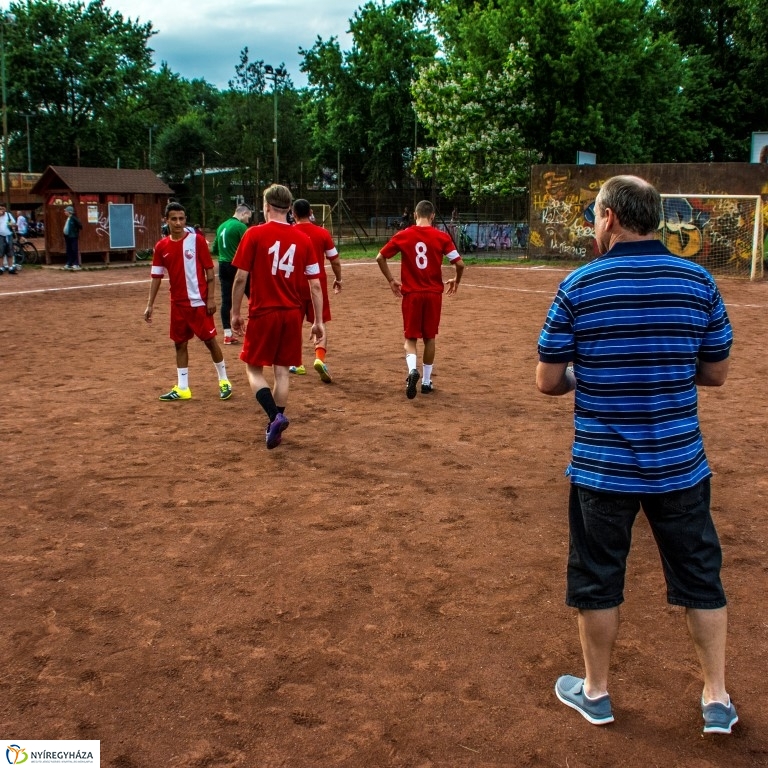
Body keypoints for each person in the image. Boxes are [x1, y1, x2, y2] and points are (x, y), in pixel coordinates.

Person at [536, 175, 736, 734]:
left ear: (609, 219)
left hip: (603, 467)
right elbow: (715, 373)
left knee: (598, 578)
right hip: (679, 464)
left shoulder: (580, 286)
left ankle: (596, 692)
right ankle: (716, 697)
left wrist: (592, 372)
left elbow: (548, 380)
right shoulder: (698, 280)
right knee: (701, 576)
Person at [230, 184, 324, 449]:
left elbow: (240, 278)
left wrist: (235, 313)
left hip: (264, 312)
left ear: (266, 206)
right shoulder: (303, 239)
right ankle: (275, 427)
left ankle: (274, 416)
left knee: (253, 368)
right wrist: (317, 321)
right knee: (282, 372)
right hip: (292, 314)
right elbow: (315, 284)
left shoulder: (254, 234)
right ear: (290, 209)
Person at [143, 202, 233, 403]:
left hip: (199, 303)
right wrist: (150, 305)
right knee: (179, 344)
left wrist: (209, 299)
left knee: (210, 342)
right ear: (166, 220)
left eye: (181, 219)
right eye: (173, 219)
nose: (178, 223)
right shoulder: (161, 247)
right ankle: (183, 387)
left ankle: (224, 380)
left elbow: (210, 273)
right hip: (177, 304)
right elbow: (156, 276)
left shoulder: (197, 241)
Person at [376, 199, 464, 398]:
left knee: (410, 338)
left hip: (412, 294)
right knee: (430, 337)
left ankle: (411, 370)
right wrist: (456, 281)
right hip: (433, 294)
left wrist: (391, 280)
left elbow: (380, 257)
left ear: (415, 215)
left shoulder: (404, 235)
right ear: (432, 216)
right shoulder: (441, 237)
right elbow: (459, 264)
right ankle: (426, 381)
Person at [289, 198, 342, 383]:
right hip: (316, 284)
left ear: (293, 213)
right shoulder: (322, 233)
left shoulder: (289, 232)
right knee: (320, 322)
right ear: (311, 211)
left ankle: (297, 363)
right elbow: (334, 259)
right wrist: (339, 278)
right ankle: (319, 358)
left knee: (294, 324)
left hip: (294, 285)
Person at [211, 204, 252, 345]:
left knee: (226, 300)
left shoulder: (221, 226)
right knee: (253, 296)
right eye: (248, 216)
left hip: (223, 265)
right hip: (238, 266)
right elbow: (249, 247)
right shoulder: (240, 227)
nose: (248, 220)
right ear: (243, 213)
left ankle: (227, 334)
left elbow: (214, 249)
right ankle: (255, 330)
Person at [63, 205, 82, 270]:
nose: (65, 212)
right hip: (67, 236)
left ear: (69, 212)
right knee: (69, 250)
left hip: (73, 236)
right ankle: (69, 263)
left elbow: (80, 225)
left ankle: (76, 264)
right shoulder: (68, 218)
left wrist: (75, 231)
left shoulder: (74, 218)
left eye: (66, 211)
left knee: (74, 249)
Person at [0, 204, 17, 274]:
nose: (1, 210)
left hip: (8, 235)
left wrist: (11, 225)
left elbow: (14, 224)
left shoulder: (8, 215)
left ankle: (10, 267)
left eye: (2, 208)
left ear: (5, 209)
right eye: (0, 209)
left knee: (10, 252)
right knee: (0, 252)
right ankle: (1, 268)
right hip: (0, 236)